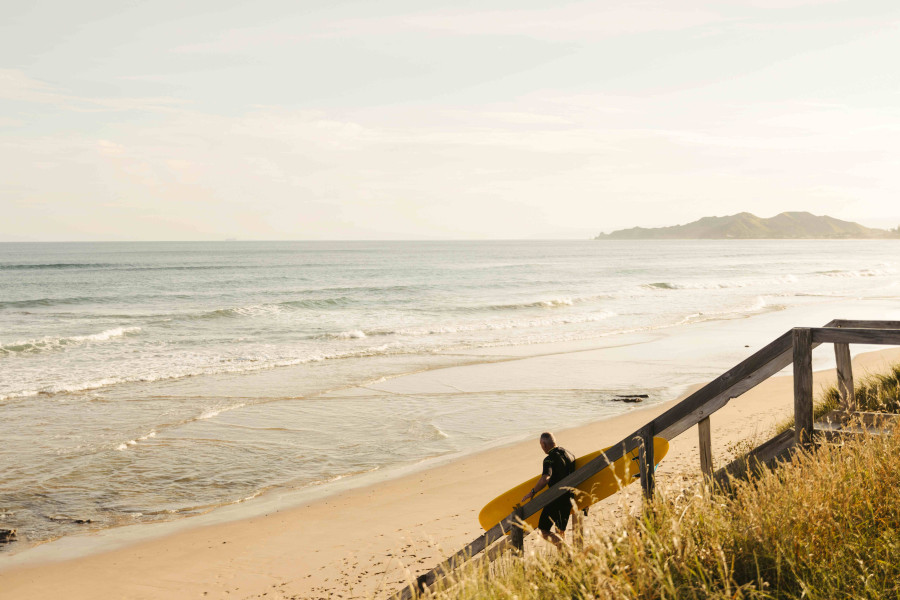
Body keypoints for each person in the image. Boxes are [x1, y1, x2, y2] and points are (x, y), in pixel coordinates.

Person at [520, 432, 576, 546]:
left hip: (556, 498)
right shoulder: (570, 454)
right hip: (569, 498)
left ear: (544, 445)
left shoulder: (549, 459)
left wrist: (532, 492)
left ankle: (568, 550)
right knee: (560, 531)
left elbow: (545, 478)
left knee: (542, 530)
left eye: (541, 446)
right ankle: (565, 558)